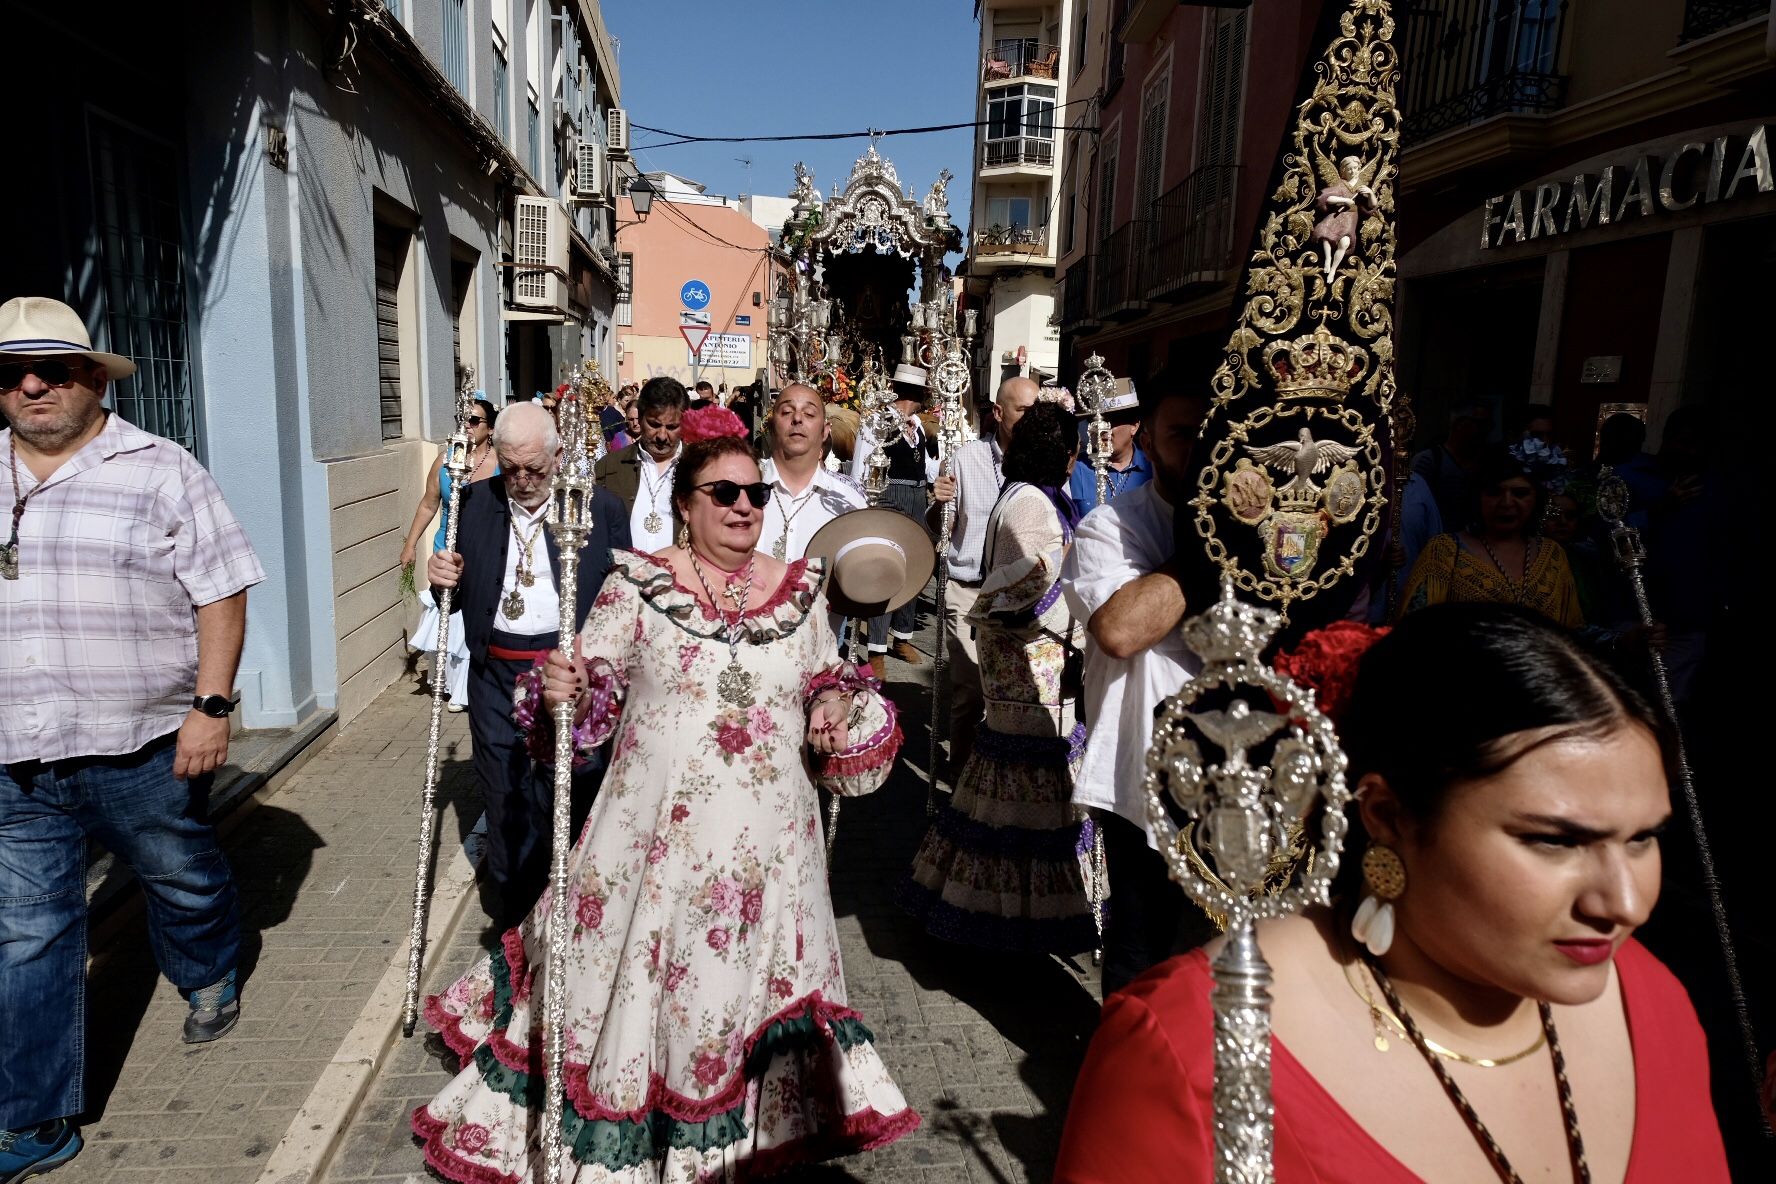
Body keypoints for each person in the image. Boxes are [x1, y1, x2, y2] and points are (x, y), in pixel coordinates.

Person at [413, 405, 918, 1181]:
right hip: (656, 856)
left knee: (744, 1004)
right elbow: (593, 697)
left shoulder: (802, 591)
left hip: (771, 863)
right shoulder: (637, 585)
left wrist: (832, 700)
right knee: (659, 1001)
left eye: (752, 493)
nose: (743, 506)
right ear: (686, 505)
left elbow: (830, 674)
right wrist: (565, 690)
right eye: (723, 493)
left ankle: (744, 1138)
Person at [1054, 605, 1729, 1183]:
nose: (1625, 904)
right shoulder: (1193, 1058)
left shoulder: (1654, 1002)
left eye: (1643, 839)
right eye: (1555, 841)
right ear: (1389, 815)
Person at [0, 297, 266, 1179]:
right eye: (11, 375)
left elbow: (221, 590)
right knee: (28, 934)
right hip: (14, 754)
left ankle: (210, 969)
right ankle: (36, 1117)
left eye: (51, 369)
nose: (31, 385)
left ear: (90, 378)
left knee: (180, 877)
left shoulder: (160, 468)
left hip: (143, 741)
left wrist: (212, 706)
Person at [901, 400, 1097, 953]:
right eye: (1072, 451)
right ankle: (1019, 921)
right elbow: (1031, 584)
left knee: (997, 784)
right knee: (1024, 791)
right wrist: (1084, 617)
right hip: (1033, 664)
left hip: (1018, 663)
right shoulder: (1033, 502)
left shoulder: (1020, 495)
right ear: (1061, 454)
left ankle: (993, 909)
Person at [426, 403, 628, 928]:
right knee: (504, 792)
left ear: (559, 457)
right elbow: (447, 581)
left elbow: (623, 599)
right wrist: (440, 575)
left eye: (534, 469)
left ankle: (577, 913)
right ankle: (517, 921)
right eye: (510, 467)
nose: (520, 480)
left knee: (575, 790)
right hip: (495, 673)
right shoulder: (472, 504)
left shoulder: (599, 509)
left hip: (569, 674)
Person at [1060, 369, 1216, 995]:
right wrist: (1211, 543)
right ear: (1147, 440)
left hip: (1237, 775)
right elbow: (1120, 630)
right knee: (1139, 953)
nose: (1202, 445)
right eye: (1182, 433)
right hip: (1144, 778)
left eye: (1212, 430)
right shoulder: (1110, 527)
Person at [929, 374, 1040, 778]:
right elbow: (942, 526)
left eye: (1035, 409)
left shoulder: (1038, 461)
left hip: (1021, 594)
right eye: (1022, 410)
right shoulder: (965, 459)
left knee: (1012, 691)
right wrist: (937, 502)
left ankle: (998, 776)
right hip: (968, 589)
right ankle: (960, 775)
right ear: (998, 412)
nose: (1030, 418)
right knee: (971, 689)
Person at [1397, 446, 1584, 629]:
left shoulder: (1553, 555)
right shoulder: (1445, 551)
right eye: (1494, 493)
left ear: (1537, 498)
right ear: (1477, 497)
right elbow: (1415, 631)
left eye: (1520, 493)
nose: (1507, 503)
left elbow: (1570, 631)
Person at [399, 397, 498, 712]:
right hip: (447, 554)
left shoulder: (500, 464)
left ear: (490, 428)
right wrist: (411, 544)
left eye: (474, 420)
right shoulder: (444, 461)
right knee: (450, 620)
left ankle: (471, 690)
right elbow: (429, 503)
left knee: (474, 621)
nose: (467, 426)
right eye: (463, 419)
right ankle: (451, 686)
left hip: (483, 556)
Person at [861, 365, 938, 675]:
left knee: (915, 568)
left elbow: (929, 469)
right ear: (914, 394)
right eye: (921, 393)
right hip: (889, 496)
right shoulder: (876, 423)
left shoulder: (919, 428)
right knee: (886, 568)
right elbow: (862, 469)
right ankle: (876, 648)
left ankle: (902, 637)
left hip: (918, 497)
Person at [758, 383, 865, 563]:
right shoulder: (742, 488)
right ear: (770, 425)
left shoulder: (848, 500)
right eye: (786, 412)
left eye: (809, 413)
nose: (798, 418)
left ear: (825, 431)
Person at [595, 375, 685, 556]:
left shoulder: (700, 468)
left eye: (672, 427)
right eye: (654, 424)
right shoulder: (609, 467)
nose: (661, 435)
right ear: (640, 419)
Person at [1066, 378, 1151, 510]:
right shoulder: (1076, 468)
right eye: (1096, 421)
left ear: (1134, 426)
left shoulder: (1153, 469)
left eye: (1111, 422)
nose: (1102, 429)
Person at [1411, 399, 1491, 531]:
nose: (1486, 430)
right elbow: (1414, 508)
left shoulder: (1486, 461)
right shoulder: (1428, 461)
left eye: (1488, 424)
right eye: (1480, 424)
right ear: (1460, 424)